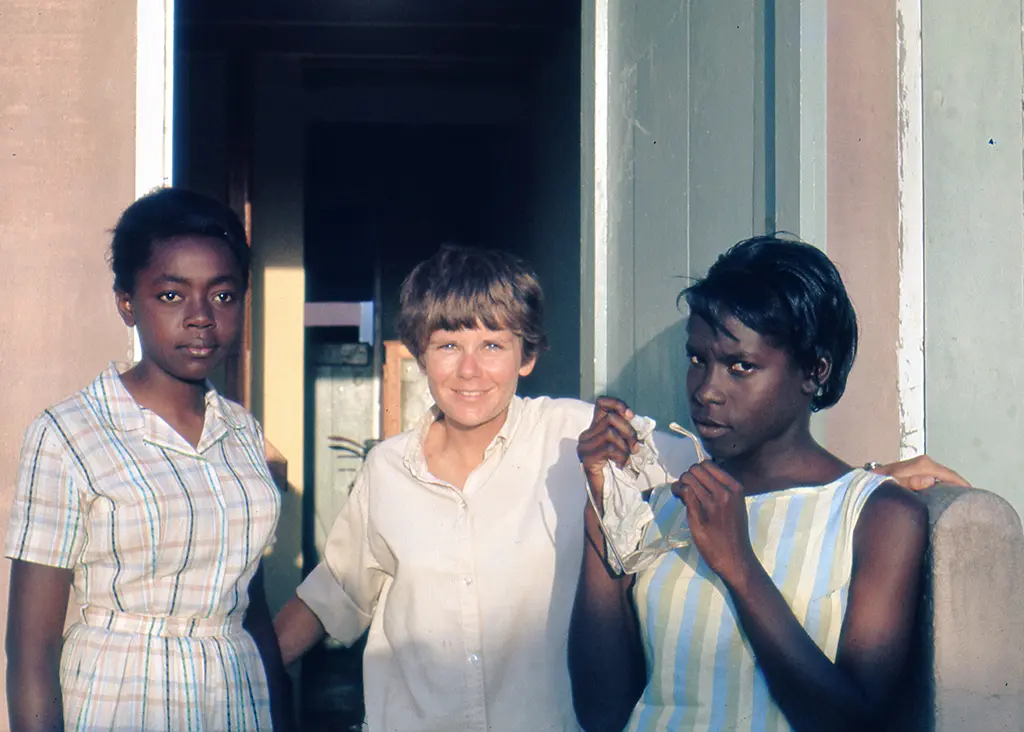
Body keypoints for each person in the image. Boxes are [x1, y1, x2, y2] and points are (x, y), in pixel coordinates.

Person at [273, 243, 966, 732]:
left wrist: (869, 478)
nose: (706, 389)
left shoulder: (598, 446)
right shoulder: (391, 469)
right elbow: (331, 596)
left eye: (493, 345)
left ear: (528, 356)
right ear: (417, 352)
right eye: (697, 361)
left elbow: (767, 473)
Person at [569, 235, 954, 731]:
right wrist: (601, 514)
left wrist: (739, 565)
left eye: (740, 366)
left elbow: (852, 722)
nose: (707, 390)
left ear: (815, 370)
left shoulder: (874, 516)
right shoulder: (660, 508)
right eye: (696, 360)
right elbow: (601, 714)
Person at [5, 188, 293, 731]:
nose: (201, 317)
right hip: (122, 698)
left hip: (235, 697)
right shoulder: (71, 434)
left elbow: (249, 606)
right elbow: (30, 647)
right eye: (171, 296)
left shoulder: (243, 434)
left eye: (224, 295)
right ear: (127, 302)